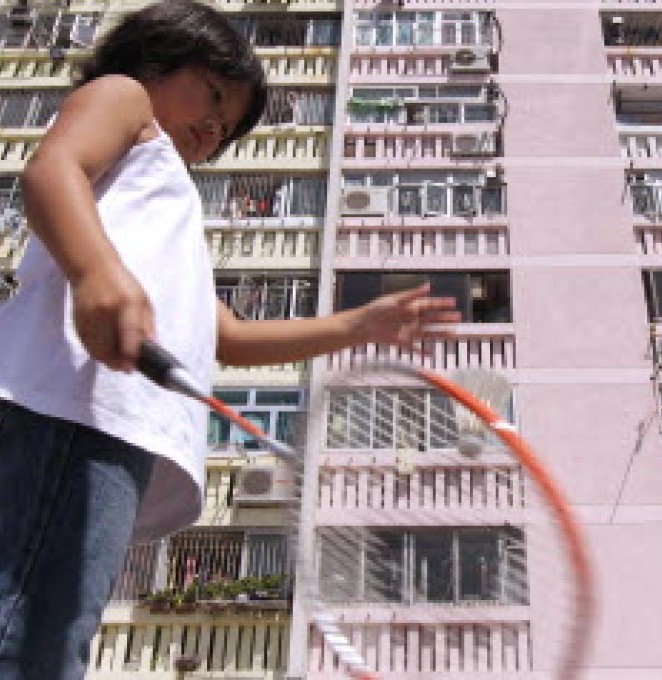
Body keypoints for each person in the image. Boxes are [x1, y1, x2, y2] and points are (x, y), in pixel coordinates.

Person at [0, 2, 459, 679]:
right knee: (27, 636)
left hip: (111, 432)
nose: (214, 130)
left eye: (227, 130)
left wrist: (357, 326)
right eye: (214, 96)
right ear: (155, 57)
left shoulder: (171, 212)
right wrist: (97, 274)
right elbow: (51, 170)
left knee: (52, 638)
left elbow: (232, 338)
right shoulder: (124, 98)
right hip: (71, 405)